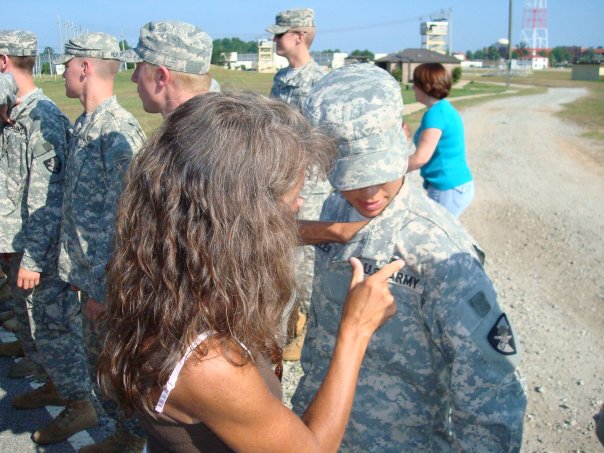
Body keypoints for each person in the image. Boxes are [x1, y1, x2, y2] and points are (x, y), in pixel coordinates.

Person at [97, 91, 403, 453]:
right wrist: (355, 331)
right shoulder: (208, 365)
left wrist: (332, 231)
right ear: (244, 223)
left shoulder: (160, 276)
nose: (299, 207)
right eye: (290, 206)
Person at [292, 63, 527, 452]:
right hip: (319, 430)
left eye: (377, 172)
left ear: (404, 137)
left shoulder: (439, 253)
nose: (367, 192)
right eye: (351, 177)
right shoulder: (336, 207)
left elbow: (492, 398)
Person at [0, 30, 96, 445]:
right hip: (17, 244)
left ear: (4, 62)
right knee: (34, 326)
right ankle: (55, 384)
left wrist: (33, 259)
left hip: (37, 249)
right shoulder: (15, 113)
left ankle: (79, 404)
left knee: (54, 330)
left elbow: (47, 198)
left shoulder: (44, 119)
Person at [53, 32, 147, 452]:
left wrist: (103, 290)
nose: (65, 72)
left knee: (117, 371)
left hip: (106, 286)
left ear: (85, 67)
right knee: (100, 368)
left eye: (68, 64)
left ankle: (136, 439)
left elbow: (125, 225)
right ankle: (125, 436)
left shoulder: (116, 132)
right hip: (87, 278)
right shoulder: (85, 126)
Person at [266, 7, 330, 360]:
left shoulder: (320, 81)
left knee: (304, 263)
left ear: (299, 36)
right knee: (280, 258)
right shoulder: (280, 79)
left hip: (308, 189)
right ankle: (287, 326)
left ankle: (304, 332)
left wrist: (302, 190)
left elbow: (319, 142)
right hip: (280, 185)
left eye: (279, 34)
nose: (273, 40)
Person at [406, 62, 475, 218]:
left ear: (426, 85)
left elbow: (420, 158)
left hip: (448, 188)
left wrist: (390, 171)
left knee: (436, 235)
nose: (413, 88)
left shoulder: (435, 114)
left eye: (415, 83)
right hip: (455, 186)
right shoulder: (442, 109)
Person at [122, 21, 214, 118]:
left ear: (161, 76)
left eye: (139, 67)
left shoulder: (189, 131)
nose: (134, 78)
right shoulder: (216, 126)